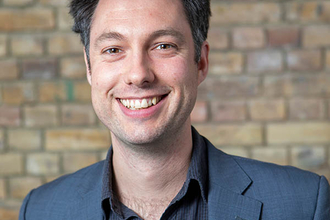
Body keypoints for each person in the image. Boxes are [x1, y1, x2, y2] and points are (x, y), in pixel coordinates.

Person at [19, 0, 330, 219]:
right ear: (89, 67)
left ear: (201, 62)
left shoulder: (303, 204)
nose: (138, 74)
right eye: (113, 50)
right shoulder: (40, 210)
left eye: (163, 46)